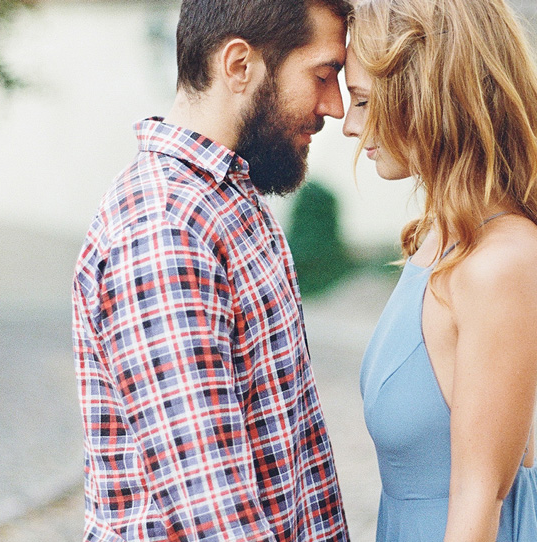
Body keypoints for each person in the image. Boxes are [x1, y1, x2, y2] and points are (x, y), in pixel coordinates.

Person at [72, 1, 352, 540]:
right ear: (240, 66)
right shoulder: (164, 225)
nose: (335, 106)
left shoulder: (229, 200)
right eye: (323, 75)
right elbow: (215, 513)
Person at [342, 0, 537, 540]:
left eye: (361, 100)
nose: (350, 126)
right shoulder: (439, 237)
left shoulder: (502, 263)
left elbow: (480, 499)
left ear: (425, 93)